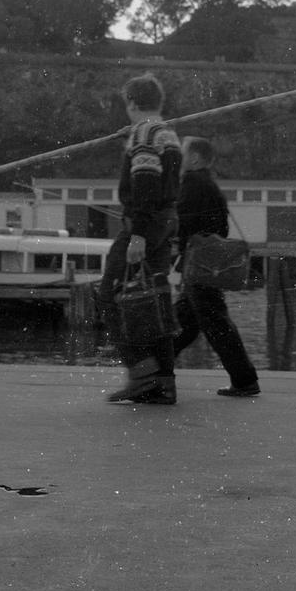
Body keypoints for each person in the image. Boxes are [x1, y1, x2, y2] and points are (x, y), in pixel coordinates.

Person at [96, 73, 182, 405]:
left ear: (131, 102)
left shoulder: (145, 134)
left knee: (109, 294)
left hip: (145, 224)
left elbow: (145, 183)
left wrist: (139, 235)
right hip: (166, 221)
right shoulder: (166, 133)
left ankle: (142, 373)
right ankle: (163, 384)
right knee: (154, 299)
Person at [172, 136, 260, 397]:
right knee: (187, 323)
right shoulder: (210, 185)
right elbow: (221, 228)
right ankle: (155, 368)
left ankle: (244, 381)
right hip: (209, 266)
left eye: (182, 152)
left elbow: (183, 221)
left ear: (195, 159)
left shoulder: (191, 182)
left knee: (214, 322)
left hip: (199, 267)